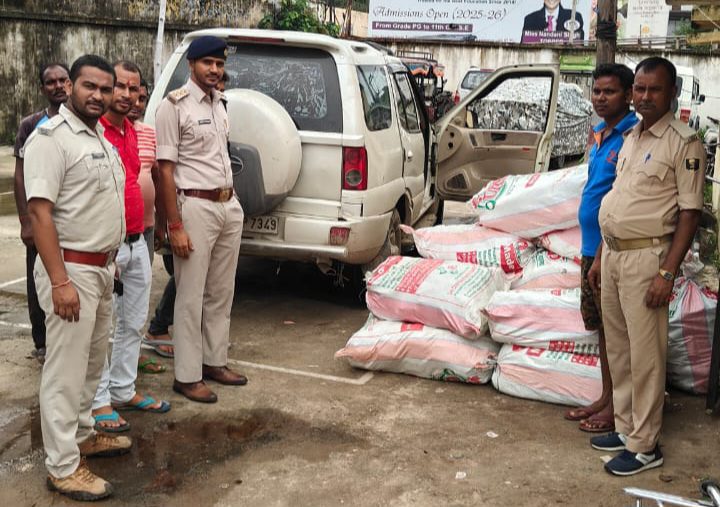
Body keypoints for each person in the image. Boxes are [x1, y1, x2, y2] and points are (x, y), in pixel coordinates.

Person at [589, 57, 706, 476]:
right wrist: (600, 256)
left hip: (647, 259)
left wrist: (667, 273)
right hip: (614, 254)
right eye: (639, 88)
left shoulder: (683, 143)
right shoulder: (632, 136)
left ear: (672, 92)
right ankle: (625, 428)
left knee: (646, 356)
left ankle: (645, 445)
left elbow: (690, 214)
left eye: (654, 89)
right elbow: (619, 199)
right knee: (620, 350)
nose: (644, 96)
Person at [24, 54, 131, 501]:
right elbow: (39, 213)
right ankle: (63, 466)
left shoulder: (100, 136)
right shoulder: (51, 139)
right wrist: (59, 281)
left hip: (101, 269)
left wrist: (111, 259)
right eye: (90, 86)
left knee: (91, 363)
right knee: (65, 372)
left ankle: (83, 434)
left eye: (106, 89)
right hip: (71, 271)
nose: (99, 96)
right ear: (71, 86)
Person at [155, 35, 246, 403]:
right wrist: (174, 226)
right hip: (194, 206)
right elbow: (164, 170)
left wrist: (234, 203)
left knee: (221, 292)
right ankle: (187, 375)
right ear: (191, 64)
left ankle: (213, 361)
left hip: (227, 205)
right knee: (190, 295)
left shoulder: (220, 103)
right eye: (208, 63)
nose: (214, 70)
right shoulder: (173, 106)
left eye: (219, 64)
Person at [92, 61, 170, 433]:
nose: (127, 95)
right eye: (120, 86)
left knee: (134, 323)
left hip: (139, 239)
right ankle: (98, 401)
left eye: (134, 88)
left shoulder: (132, 133)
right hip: (106, 245)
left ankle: (123, 390)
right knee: (99, 328)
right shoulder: (95, 132)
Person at [564, 63, 638, 433]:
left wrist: (602, 252)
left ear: (628, 95)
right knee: (602, 329)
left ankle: (617, 408)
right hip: (590, 248)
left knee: (617, 332)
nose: (600, 98)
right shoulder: (599, 134)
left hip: (611, 250)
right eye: (596, 91)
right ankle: (606, 397)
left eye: (609, 91)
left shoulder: (631, 138)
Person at [13, 62, 70, 364]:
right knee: (39, 282)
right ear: (42, 88)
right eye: (51, 82)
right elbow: (20, 175)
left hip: (71, 219)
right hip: (41, 218)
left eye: (63, 80)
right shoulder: (31, 124)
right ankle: (42, 342)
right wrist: (26, 222)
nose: (58, 86)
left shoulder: (83, 122)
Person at [128, 79, 173, 373]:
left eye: (142, 97)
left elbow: (157, 177)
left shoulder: (148, 133)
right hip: (117, 234)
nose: (136, 102)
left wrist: (160, 224)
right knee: (115, 300)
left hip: (144, 229)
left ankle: (132, 356)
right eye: (129, 94)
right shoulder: (104, 132)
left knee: (138, 296)